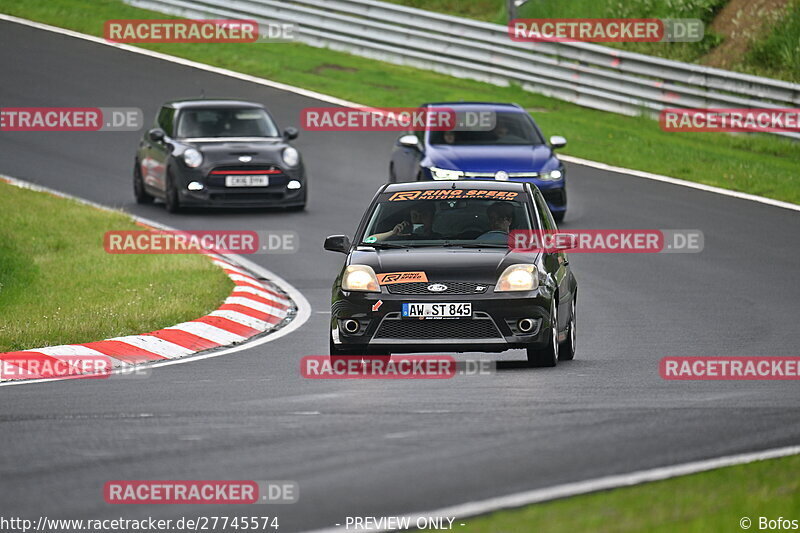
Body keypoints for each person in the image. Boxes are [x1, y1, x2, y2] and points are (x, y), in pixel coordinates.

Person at [368, 202, 440, 242]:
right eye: (415, 216)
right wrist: (392, 233)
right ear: (410, 218)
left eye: (424, 215)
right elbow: (369, 241)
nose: (419, 219)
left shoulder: (441, 240)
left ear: (432, 218)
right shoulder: (400, 239)